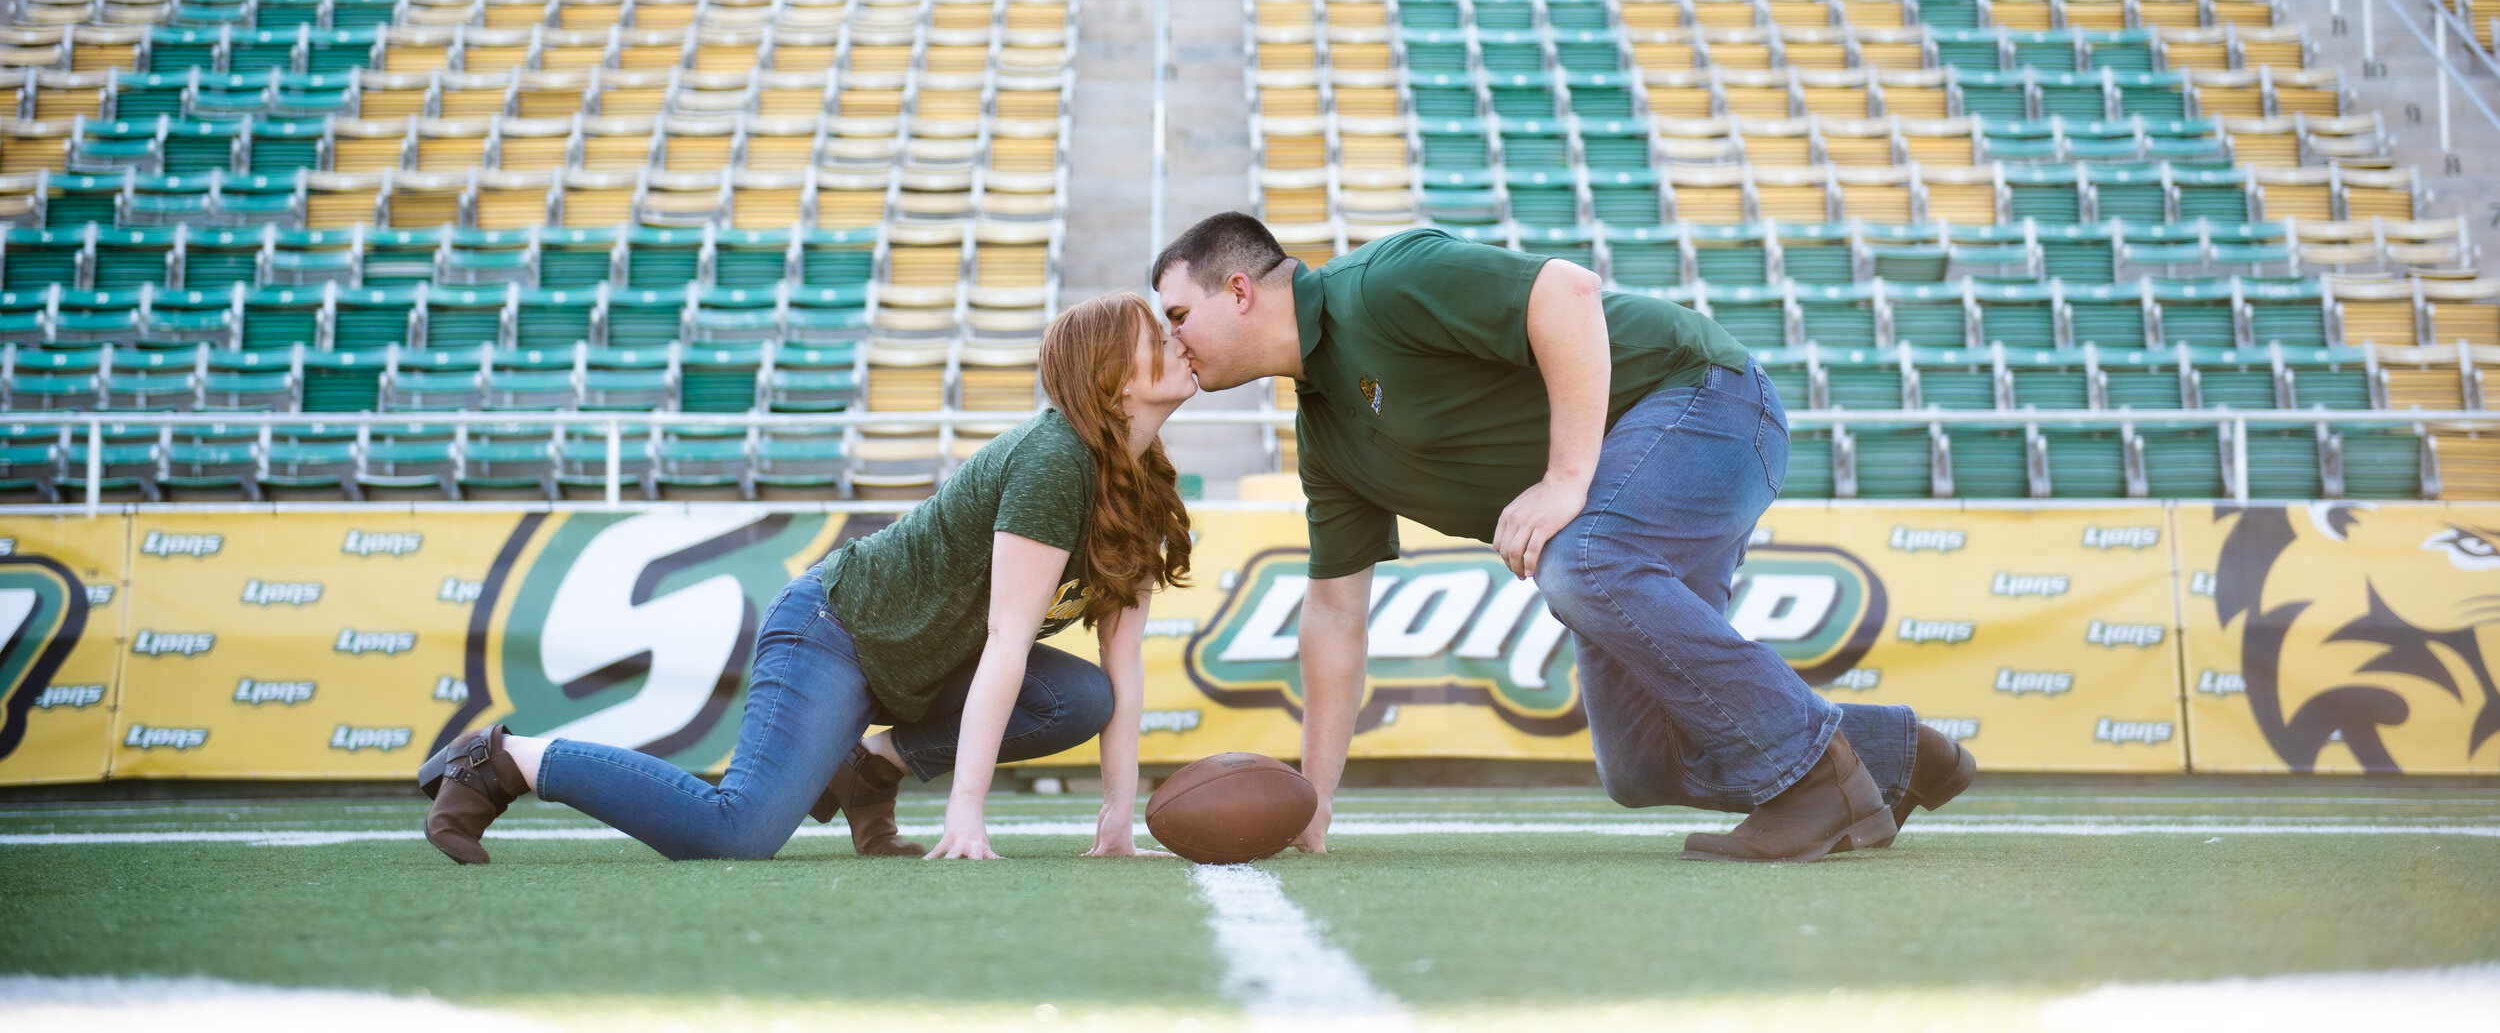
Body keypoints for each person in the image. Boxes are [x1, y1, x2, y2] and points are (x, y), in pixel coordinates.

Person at [1152, 213, 1975, 865]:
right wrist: (1316, 799)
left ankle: (1816, 778)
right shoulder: (1327, 437)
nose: (1174, 340)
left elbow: (1569, 294)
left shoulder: (1383, 282)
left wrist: (1566, 478)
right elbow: (1335, 615)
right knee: (1640, 764)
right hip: (1636, 477)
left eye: (1180, 314)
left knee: (1580, 561)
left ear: (1240, 289)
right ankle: (1891, 751)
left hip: (1711, 403)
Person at [418, 291, 1198, 866]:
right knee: (737, 831)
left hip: (926, 660)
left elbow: (1121, 672)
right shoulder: (1053, 457)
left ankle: (866, 773)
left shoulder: (1148, 485)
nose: (1173, 337)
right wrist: (967, 813)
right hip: (838, 631)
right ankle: (503, 758)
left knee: (1083, 697)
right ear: (1111, 378)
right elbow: (1006, 640)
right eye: (1151, 332)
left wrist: (1118, 817)